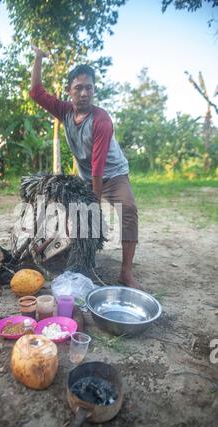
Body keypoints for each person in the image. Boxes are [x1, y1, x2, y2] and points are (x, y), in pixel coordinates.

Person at [29, 46, 140, 289]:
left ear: (94, 91)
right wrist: (38, 58)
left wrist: (95, 203)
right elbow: (36, 92)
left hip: (113, 175)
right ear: (69, 91)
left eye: (89, 87)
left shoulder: (101, 120)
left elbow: (98, 166)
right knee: (75, 218)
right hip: (86, 177)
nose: (84, 92)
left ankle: (126, 273)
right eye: (78, 87)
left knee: (128, 209)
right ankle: (80, 261)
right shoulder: (65, 111)